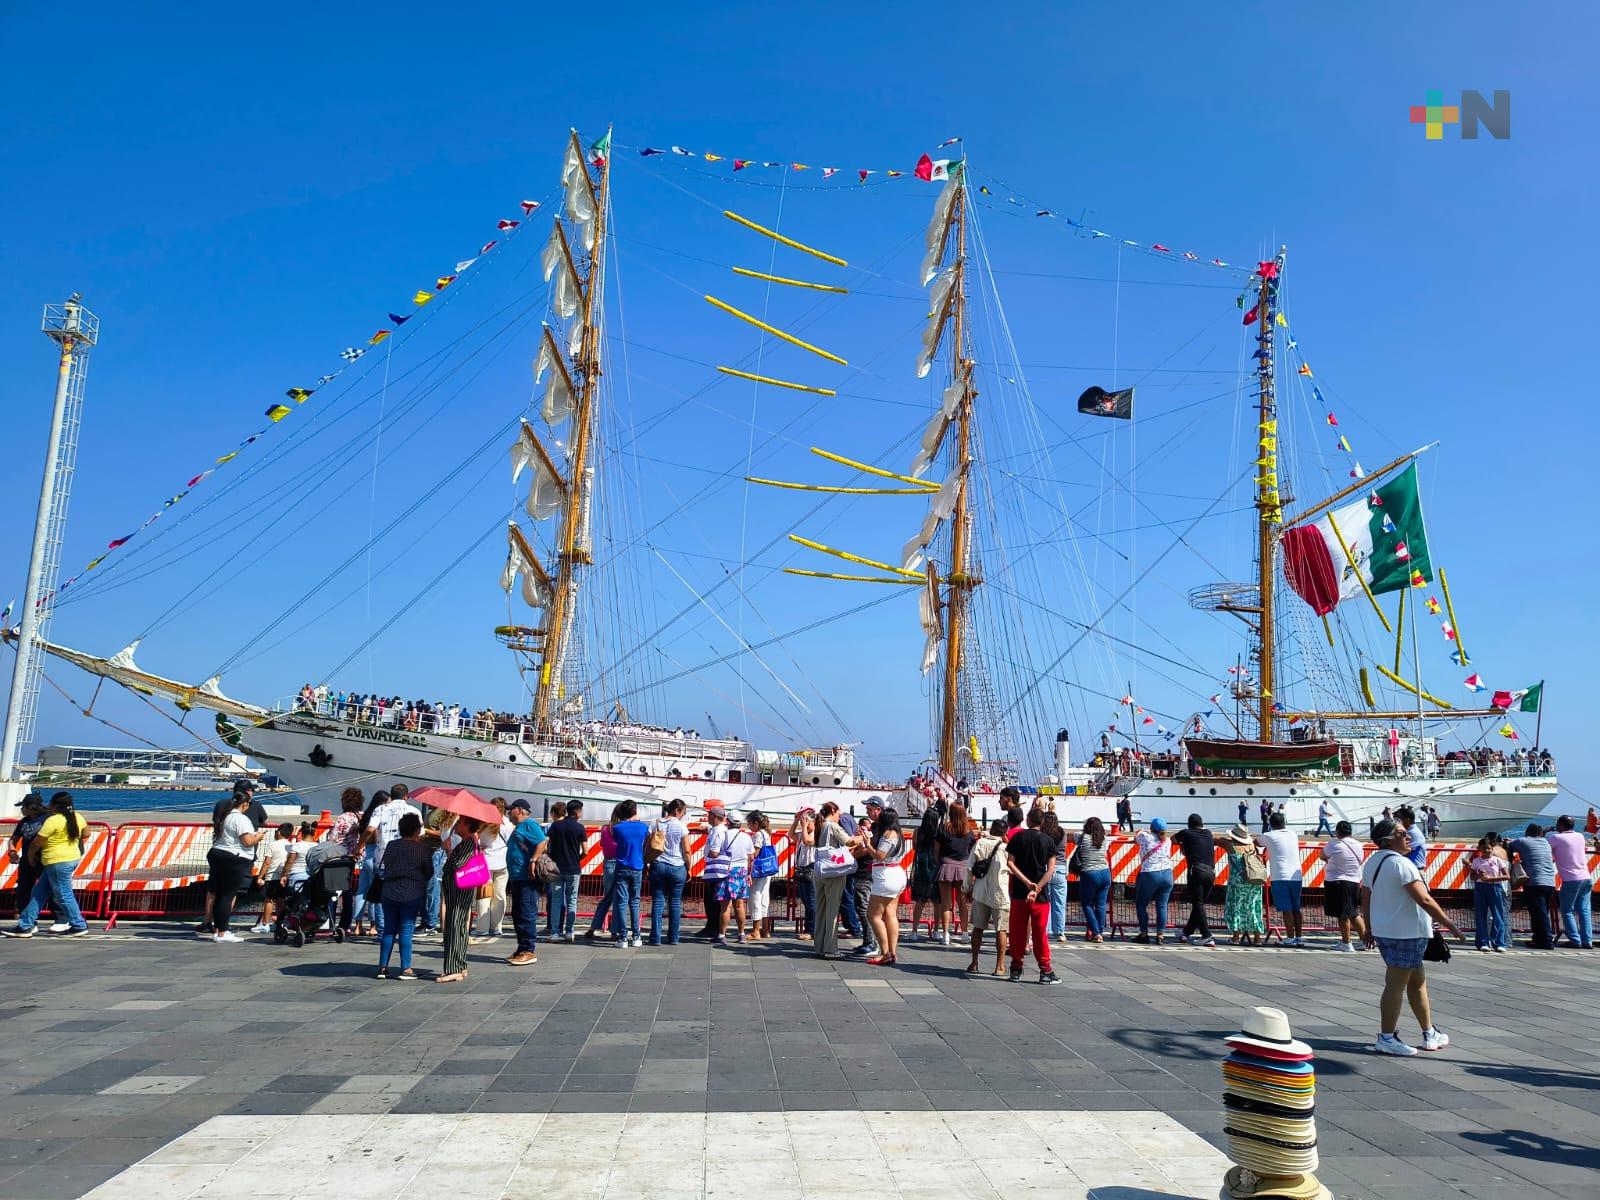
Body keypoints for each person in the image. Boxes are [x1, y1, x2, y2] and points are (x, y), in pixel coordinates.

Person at [1360, 817, 1465, 1056]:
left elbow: (1365, 897)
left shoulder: (1372, 862)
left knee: (1417, 982)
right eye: (1401, 833)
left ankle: (1429, 1032)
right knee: (1395, 985)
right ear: (1388, 839)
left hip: (1386, 930)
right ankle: (1387, 1037)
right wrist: (1451, 925)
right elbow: (1424, 899)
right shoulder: (1402, 864)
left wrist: (1368, 927)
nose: (1408, 837)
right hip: (1406, 932)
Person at [3, 793, 91, 939]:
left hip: (57, 861)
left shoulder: (53, 820)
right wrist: (73, 844)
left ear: (54, 805)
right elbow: (86, 833)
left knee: (63, 895)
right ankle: (26, 925)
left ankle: (78, 924)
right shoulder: (78, 817)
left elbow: (37, 843)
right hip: (71, 858)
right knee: (38, 893)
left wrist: (30, 858)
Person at [1004, 807, 1059, 983]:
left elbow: (1010, 863)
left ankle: (1016, 967)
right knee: (1039, 933)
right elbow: (1051, 869)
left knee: (1017, 931)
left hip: (1020, 892)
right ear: (1042, 822)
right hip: (1041, 896)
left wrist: (1026, 883)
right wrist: (1037, 888)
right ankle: (1045, 970)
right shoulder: (1048, 841)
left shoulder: (1018, 838)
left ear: (1027, 820)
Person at [375, 812, 433, 979]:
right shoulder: (422, 849)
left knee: (389, 930)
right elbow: (429, 872)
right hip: (411, 892)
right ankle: (406, 968)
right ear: (417, 830)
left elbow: (385, 865)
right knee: (406, 930)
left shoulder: (392, 845)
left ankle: (382, 967)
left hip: (389, 891)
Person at [206, 792, 266, 944]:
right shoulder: (240, 818)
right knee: (227, 895)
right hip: (234, 858)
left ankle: (218, 930)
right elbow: (246, 841)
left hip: (217, 853)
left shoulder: (225, 816)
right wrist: (258, 837)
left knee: (220, 895)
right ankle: (223, 932)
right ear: (245, 804)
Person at [436, 815, 483, 983]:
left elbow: (459, 865)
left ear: (467, 825)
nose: (456, 825)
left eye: (460, 822)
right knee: (459, 925)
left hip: (458, 889)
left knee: (454, 925)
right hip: (459, 889)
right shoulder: (469, 841)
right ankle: (460, 965)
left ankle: (453, 968)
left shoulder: (469, 842)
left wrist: (449, 850)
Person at [963, 818, 1011, 974]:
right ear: (1005, 833)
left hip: (980, 891)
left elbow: (969, 868)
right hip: (1000, 892)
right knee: (1001, 929)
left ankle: (974, 962)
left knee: (978, 928)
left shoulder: (980, 844)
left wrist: (966, 888)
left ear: (991, 830)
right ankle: (1000, 965)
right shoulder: (1006, 848)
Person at [502, 800, 546, 966]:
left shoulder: (529, 824)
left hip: (526, 878)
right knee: (518, 913)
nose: (508, 813)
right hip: (517, 877)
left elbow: (541, 841)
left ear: (519, 810)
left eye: (510, 810)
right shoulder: (520, 827)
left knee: (526, 912)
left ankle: (528, 949)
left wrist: (533, 860)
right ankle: (521, 948)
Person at [864, 806, 906, 966]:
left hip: (885, 875)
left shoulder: (889, 834)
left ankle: (885, 952)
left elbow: (879, 855)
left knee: (873, 915)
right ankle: (892, 952)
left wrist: (868, 845)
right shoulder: (898, 834)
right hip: (896, 873)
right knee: (890, 914)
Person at [1318, 820, 1367, 952]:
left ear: (1338, 831)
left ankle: (1346, 942)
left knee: (1343, 914)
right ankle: (1364, 940)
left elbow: (1322, 855)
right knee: (1353, 912)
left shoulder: (1334, 844)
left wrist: (1330, 861)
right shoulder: (1358, 844)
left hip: (1338, 881)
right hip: (1355, 881)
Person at [1547, 815, 1594, 949]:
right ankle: (1587, 940)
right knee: (1584, 910)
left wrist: (1544, 833)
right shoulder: (1580, 836)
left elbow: (1544, 848)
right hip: (1586, 877)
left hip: (1570, 878)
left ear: (1560, 825)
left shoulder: (1555, 838)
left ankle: (1575, 939)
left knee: (1567, 910)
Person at [1507, 824, 1558, 950]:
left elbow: (1509, 846)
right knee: (1541, 912)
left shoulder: (1523, 841)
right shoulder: (1545, 842)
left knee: (1538, 914)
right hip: (1550, 882)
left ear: (1527, 832)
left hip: (1534, 882)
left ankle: (1546, 941)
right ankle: (1538, 939)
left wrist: (1507, 842)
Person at [649, 799, 691, 946]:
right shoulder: (681, 826)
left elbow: (648, 845)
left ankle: (655, 938)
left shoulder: (655, 823)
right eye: (684, 812)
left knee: (658, 901)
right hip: (677, 866)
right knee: (674, 902)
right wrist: (689, 868)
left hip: (658, 864)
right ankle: (673, 937)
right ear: (677, 811)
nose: (684, 815)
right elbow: (686, 850)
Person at [1260, 812, 1305, 947]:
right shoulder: (1293, 834)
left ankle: (1290, 938)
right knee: (1296, 907)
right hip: (1296, 876)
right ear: (1284, 822)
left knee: (1286, 908)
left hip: (1280, 875)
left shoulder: (1268, 835)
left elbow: (1255, 842)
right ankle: (1299, 937)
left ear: (1270, 824)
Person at [469, 798, 510, 945]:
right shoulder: (508, 823)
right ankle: (497, 926)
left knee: (483, 896)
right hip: (503, 863)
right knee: (499, 895)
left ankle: (482, 928)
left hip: (485, 862)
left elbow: (476, 841)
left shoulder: (483, 823)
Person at [1172, 813, 1217, 947]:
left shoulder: (1186, 833)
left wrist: (1183, 845)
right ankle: (1187, 932)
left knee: (1198, 904)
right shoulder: (1208, 833)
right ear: (1202, 824)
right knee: (1200, 904)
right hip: (1211, 872)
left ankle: (1207, 935)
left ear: (1189, 824)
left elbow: (1172, 839)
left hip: (1196, 870)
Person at [812, 802, 850, 959]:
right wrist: (864, 837)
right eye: (838, 812)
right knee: (832, 910)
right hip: (833, 871)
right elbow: (849, 841)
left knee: (821, 909)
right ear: (833, 811)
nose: (839, 815)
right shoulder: (833, 826)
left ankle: (819, 945)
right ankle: (830, 948)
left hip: (820, 870)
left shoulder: (820, 826)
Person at [349, 790, 390, 937]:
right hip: (376, 855)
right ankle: (373, 926)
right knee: (375, 893)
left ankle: (358, 925)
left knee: (361, 891)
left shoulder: (366, 816)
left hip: (365, 854)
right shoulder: (380, 815)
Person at [610, 800, 650, 948]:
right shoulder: (643, 827)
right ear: (635, 811)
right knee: (635, 901)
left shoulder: (617, 828)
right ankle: (637, 936)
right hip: (637, 866)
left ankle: (622, 937)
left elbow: (616, 841)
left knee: (621, 902)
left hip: (621, 866)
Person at [585, 804, 627, 943]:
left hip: (608, 863)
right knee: (618, 899)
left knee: (607, 897)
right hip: (621, 863)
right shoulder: (623, 829)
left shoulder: (605, 829)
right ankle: (614, 931)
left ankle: (593, 927)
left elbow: (604, 845)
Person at [936, 802, 975, 946]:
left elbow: (936, 850)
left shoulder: (944, 828)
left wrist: (939, 861)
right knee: (962, 902)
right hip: (963, 866)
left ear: (950, 813)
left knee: (946, 903)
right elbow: (971, 851)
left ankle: (946, 933)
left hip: (946, 864)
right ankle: (965, 933)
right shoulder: (968, 831)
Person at [1219, 824, 1266, 946]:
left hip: (1237, 882)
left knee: (1236, 907)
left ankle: (1235, 937)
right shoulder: (1251, 845)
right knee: (1254, 907)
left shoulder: (1230, 845)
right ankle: (1257, 938)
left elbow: (1215, 840)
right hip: (1253, 880)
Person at [545, 800, 585, 942]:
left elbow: (546, 843)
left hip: (556, 868)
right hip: (573, 868)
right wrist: (577, 858)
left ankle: (555, 932)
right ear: (578, 812)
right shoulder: (580, 828)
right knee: (572, 900)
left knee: (556, 900)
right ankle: (569, 931)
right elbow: (585, 851)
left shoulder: (556, 826)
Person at [714, 811, 755, 946]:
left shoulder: (722, 834)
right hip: (741, 871)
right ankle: (741, 934)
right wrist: (749, 874)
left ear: (728, 821)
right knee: (739, 904)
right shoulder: (746, 837)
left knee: (725, 906)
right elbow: (751, 857)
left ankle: (721, 935)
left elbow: (714, 853)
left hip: (726, 871)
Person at [849, 798, 884, 956]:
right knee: (863, 907)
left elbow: (869, 848)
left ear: (878, 809)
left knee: (864, 908)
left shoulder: (877, 827)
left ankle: (872, 942)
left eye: (869, 809)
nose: (867, 812)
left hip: (867, 872)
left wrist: (853, 855)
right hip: (868, 871)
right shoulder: (877, 827)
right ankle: (869, 940)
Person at [6, 794, 48, 925]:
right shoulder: (24, 821)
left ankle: (61, 919)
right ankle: (26, 920)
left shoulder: (47, 819)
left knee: (50, 890)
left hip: (43, 861)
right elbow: (14, 838)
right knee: (23, 890)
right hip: (26, 862)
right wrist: (12, 851)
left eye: (23, 807)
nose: (22, 810)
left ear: (31, 807)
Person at [1132, 817, 1174, 944]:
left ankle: (1144, 934)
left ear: (1152, 828)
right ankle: (1160, 935)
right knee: (1162, 906)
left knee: (1141, 904)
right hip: (1167, 874)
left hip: (1150, 874)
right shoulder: (1168, 840)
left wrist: (1140, 831)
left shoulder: (1145, 837)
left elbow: (1136, 838)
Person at [1467, 836, 1510, 954]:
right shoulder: (1476, 861)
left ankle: (1499, 942)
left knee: (1498, 915)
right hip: (1480, 888)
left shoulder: (1498, 860)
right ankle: (1483, 942)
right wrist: (1478, 875)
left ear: (1492, 848)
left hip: (1495, 887)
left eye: (1489, 848)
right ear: (1480, 849)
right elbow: (1472, 877)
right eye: (1484, 848)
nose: (1487, 850)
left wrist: (1491, 879)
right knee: (1480, 915)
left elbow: (1507, 876)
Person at [1073, 816, 1112, 942]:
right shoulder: (1104, 839)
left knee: (1086, 904)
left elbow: (1072, 835)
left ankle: (1096, 932)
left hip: (1090, 873)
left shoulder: (1082, 837)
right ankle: (1100, 931)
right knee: (1101, 905)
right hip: (1105, 873)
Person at [906, 806, 942, 942]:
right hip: (934, 866)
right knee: (937, 901)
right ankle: (936, 930)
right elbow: (938, 852)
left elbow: (915, 847)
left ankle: (914, 930)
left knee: (920, 900)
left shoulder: (917, 831)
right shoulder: (937, 833)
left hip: (921, 866)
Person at [697, 804, 732, 940]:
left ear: (716, 817)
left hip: (717, 869)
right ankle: (712, 926)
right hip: (713, 869)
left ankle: (714, 927)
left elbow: (715, 852)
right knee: (710, 899)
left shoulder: (719, 831)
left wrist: (710, 855)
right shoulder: (715, 829)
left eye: (710, 815)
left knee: (713, 900)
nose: (708, 817)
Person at [254, 822, 297, 934]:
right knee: (281, 901)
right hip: (283, 876)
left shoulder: (273, 844)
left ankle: (265, 924)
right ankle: (280, 923)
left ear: (278, 832)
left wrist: (260, 876)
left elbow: (267, 862)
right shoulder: (290, 845)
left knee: (268, 900)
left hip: (272, 876)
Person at [1040, 810, 1070, 944]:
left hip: (1046, 869)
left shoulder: (1042, 834)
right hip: (1061, 869)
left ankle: (1045, 931)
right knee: (1060, 903)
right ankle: (1060, 932)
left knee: (1046, 902)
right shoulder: (1062, 833)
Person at [744, 811, 775, 941]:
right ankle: (766, 930)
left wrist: (747, 865)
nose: (748, 826)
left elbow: (754, 854)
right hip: (767, 869)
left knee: (755, 896)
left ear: (756, 823)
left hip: (758, 870)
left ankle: (756, 930)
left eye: (749, 823)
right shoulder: (766, 833)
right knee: (764, 897)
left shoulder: (757, 835)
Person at [790, 808, 816, 941]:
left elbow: (807, 841)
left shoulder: (816, 834)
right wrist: (796, 820)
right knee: (806, 901)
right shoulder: (803, 833)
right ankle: (808, 928)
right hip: (802, 870)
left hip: (811, 869)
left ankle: (812, 930)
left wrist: (806, 827)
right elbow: (791, 834)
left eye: (806, 822)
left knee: (811, 901)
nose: (803, 824)